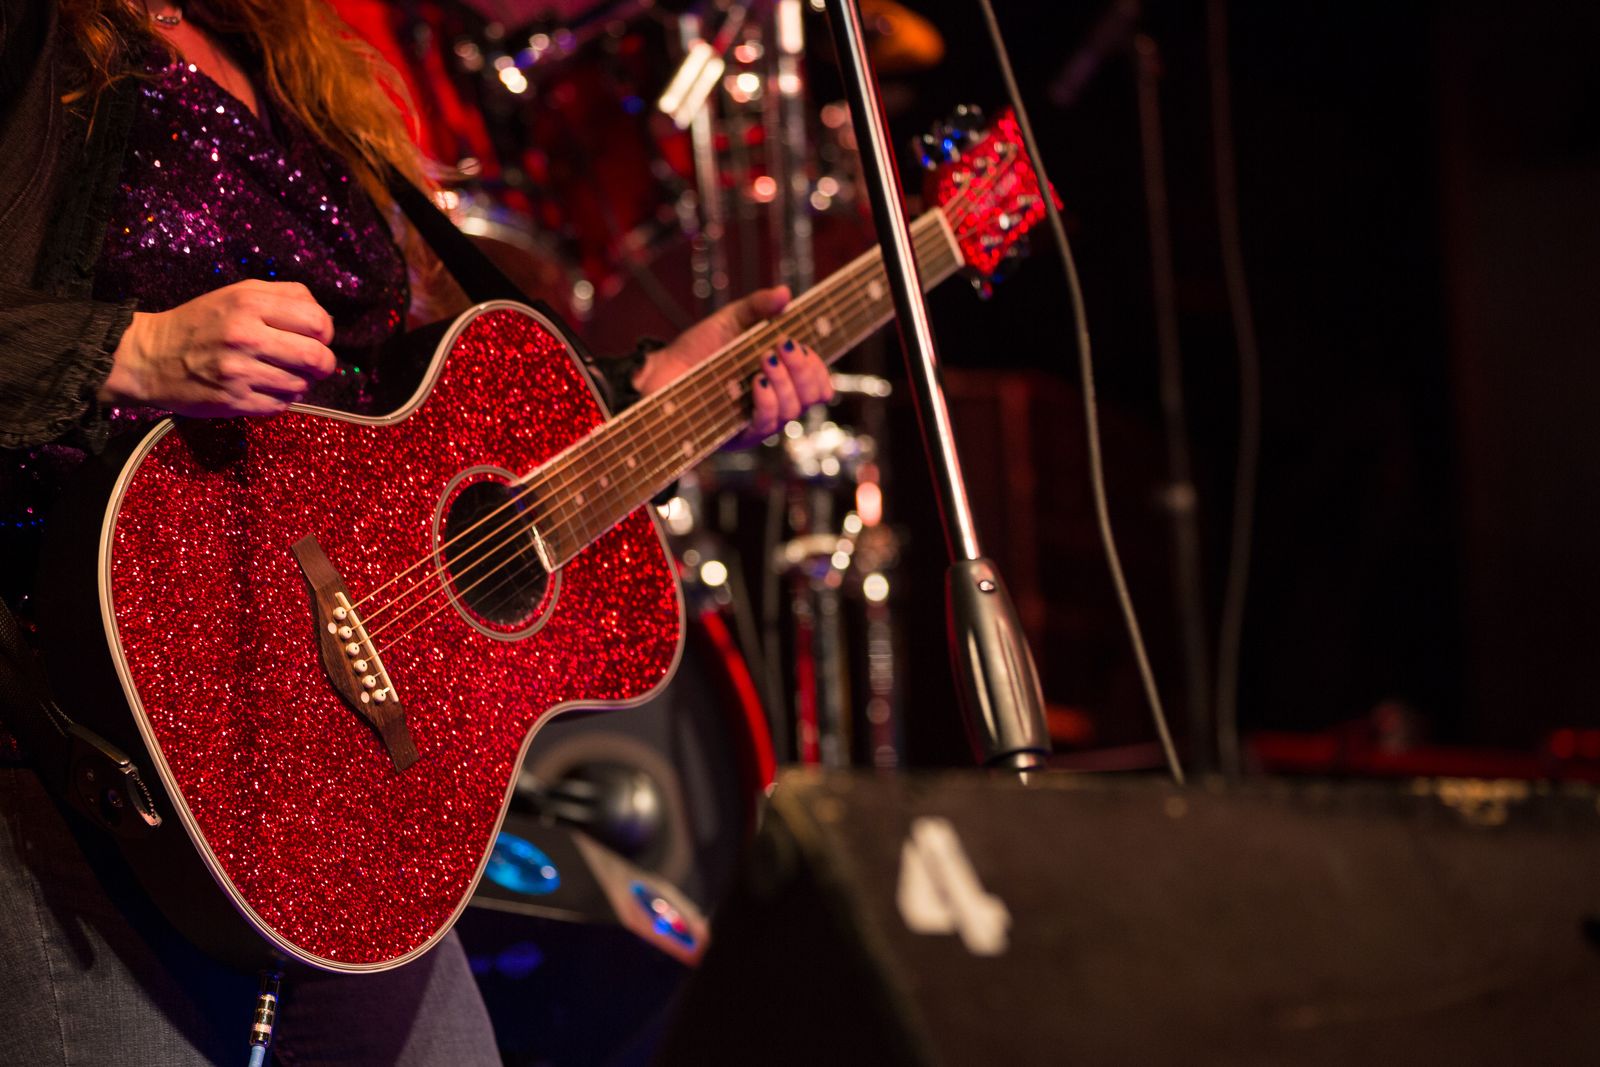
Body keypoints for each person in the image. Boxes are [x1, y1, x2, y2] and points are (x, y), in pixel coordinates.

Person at [0, 1, 832, 1062]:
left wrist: (651, 390)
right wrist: (137, 350)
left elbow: (393, 434)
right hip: (76, 735)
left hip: (332, 779)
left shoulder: (290, 61)